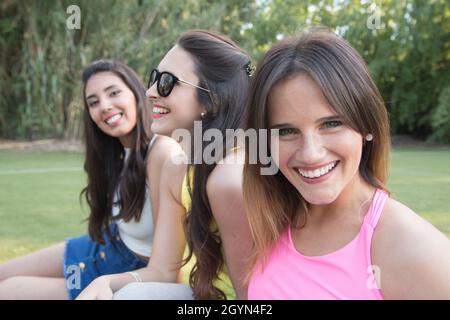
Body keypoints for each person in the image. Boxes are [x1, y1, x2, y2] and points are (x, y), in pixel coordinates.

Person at [243, 28, 450, 299]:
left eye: (330, 124)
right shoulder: (271, 221)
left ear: (367, 126)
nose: (310, 154)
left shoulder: (409, 245)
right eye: (286, 131)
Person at [77, 30, 253, 300]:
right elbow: (162, 270)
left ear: (212, 100)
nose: (149, 92)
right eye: (154, 78)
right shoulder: (177, 169)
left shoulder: (232, 176)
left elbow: (252, 297)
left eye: (167, 82)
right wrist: (106, 282)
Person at [0, 60, 179, 299]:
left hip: (127, 270)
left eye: (113, 93)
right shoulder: (115, 153)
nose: (104, 106)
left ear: (137, 94)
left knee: (8, 291)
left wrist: (109, 283)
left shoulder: (162, 153)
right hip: (106, 244)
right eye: (93, 102)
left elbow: (166, 270)